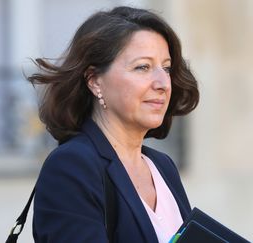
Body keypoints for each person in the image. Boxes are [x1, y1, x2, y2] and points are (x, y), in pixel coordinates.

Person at [28, 6, 199, 243]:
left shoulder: (162, 167)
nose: (163, 83)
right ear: (95, 80)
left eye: (166, 68)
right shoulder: (71, 166)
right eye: (143, 67)